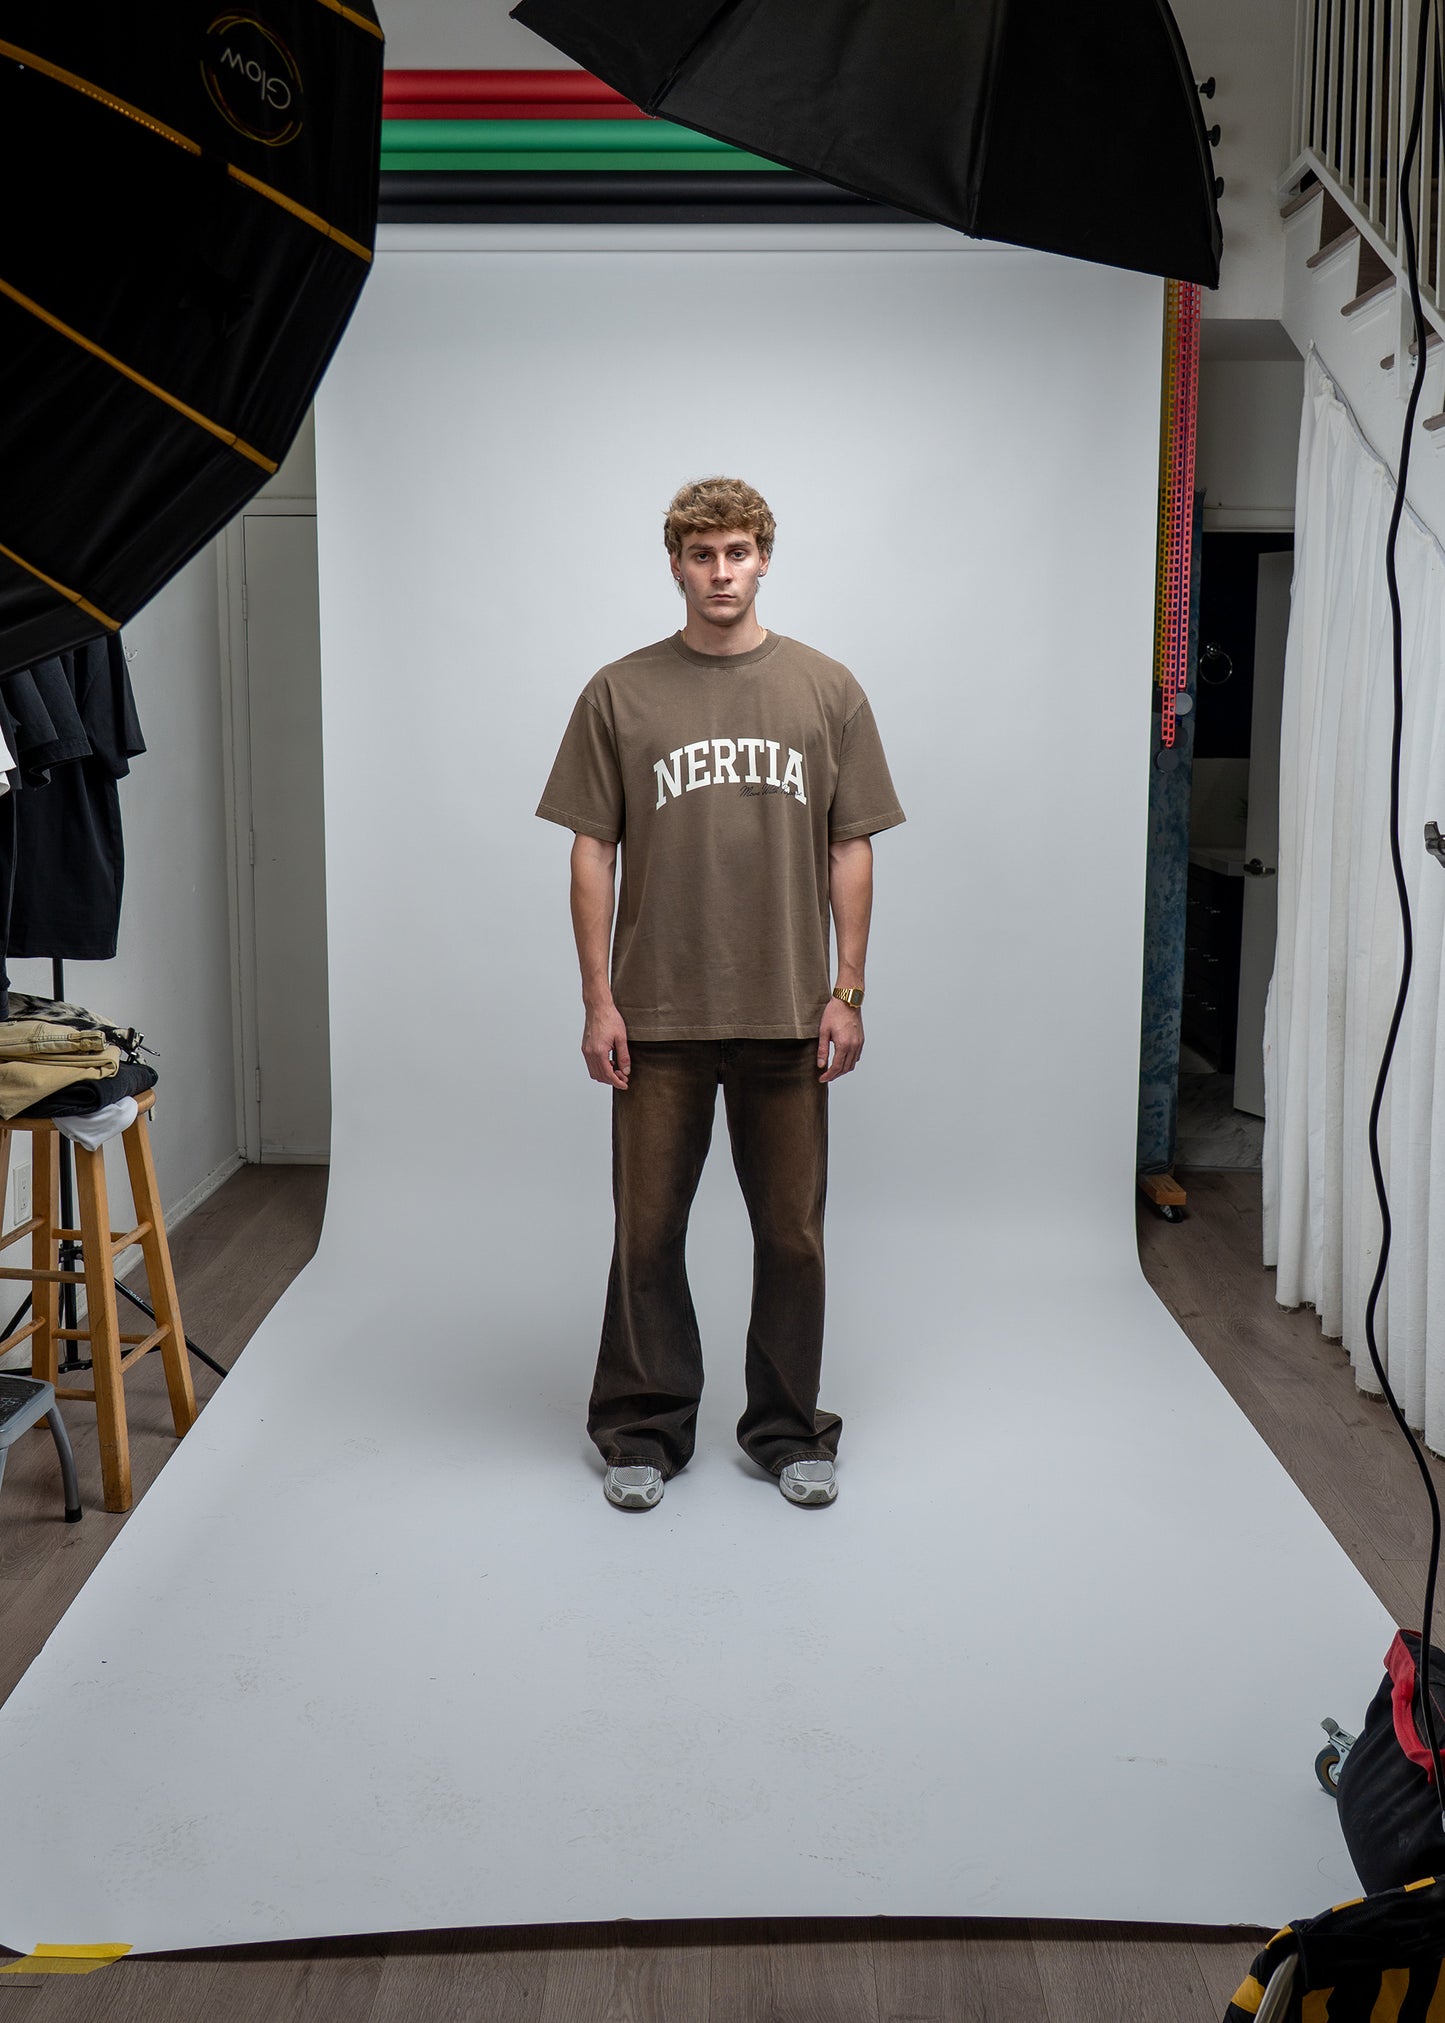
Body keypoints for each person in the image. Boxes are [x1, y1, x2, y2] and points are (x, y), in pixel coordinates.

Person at [536, 476, 905, 1512]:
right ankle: (645, 1428)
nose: (720, 573)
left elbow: (851, 847)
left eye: (737, 552)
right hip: (653, 1020)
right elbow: (588, 851)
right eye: (701, 555)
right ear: (674, 563)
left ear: (763, 559)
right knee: (644, 1232)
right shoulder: (619, 692)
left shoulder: (824, 690)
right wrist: (597, 1000)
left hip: (790, 1013)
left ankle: (787, 1428)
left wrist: (848, 989)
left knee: (789, 1235)